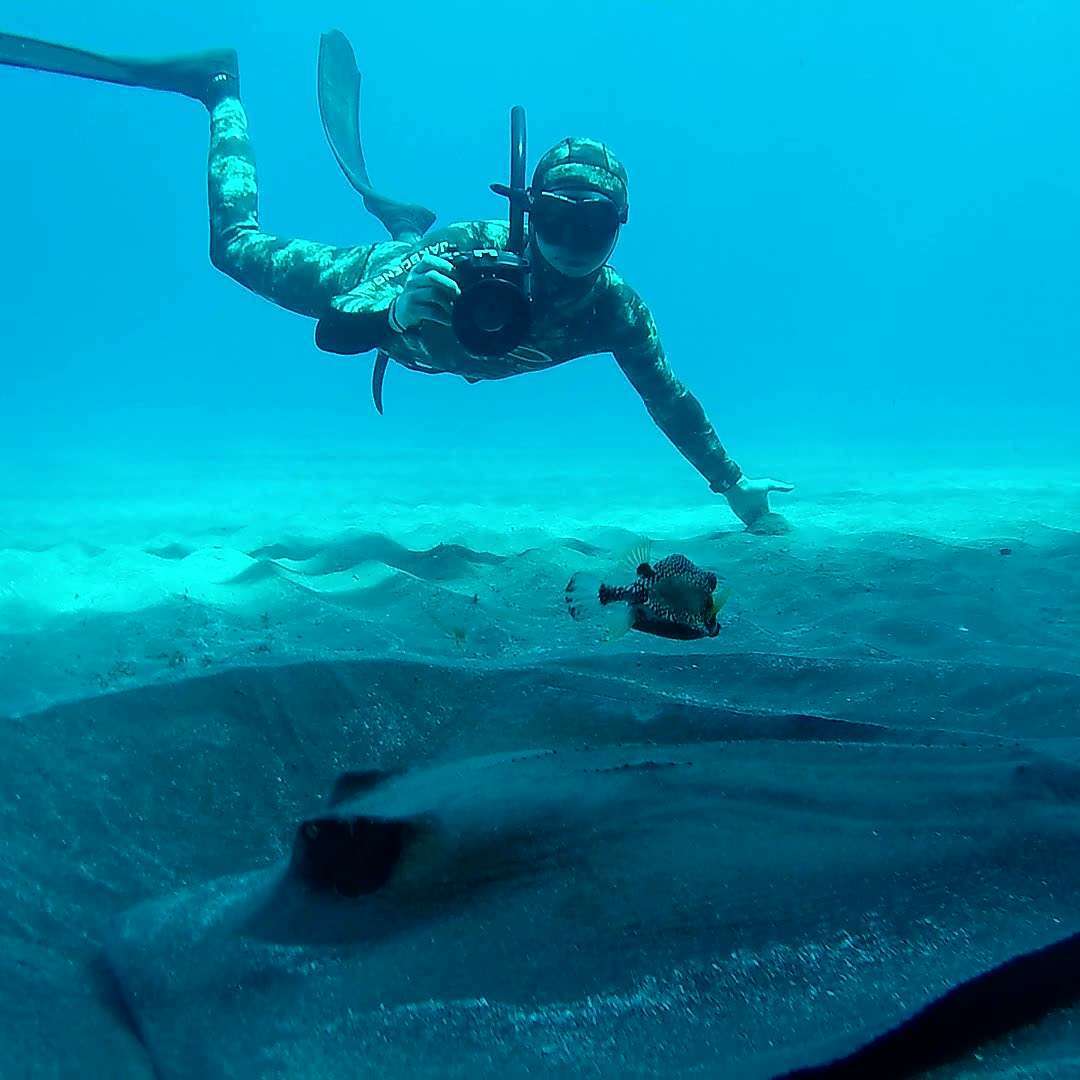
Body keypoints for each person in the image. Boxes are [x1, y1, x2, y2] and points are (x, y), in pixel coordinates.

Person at [0, 30, 792, 528]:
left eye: (596, 227)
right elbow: (333, 332)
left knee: (406, 238)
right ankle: (219, 91)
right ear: (527, 213)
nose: (575, 244)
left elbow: (669, 397)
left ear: (621, 230)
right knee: (234, 246)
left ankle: (398, 210)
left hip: (430, 305)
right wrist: (392, 315)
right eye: (557, 219)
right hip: (382, 274)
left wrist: (733, 486)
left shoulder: (616, 310)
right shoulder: (464, 256)